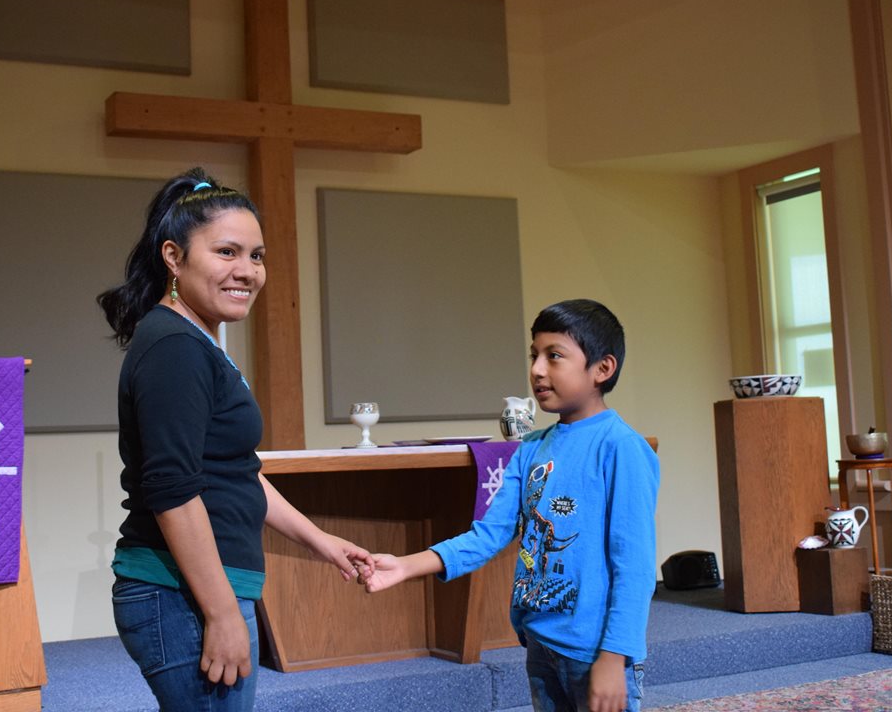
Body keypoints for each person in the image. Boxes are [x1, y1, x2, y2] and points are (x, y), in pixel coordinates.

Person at [97, 168, 374, 711]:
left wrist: (320, 540)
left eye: (257, 256)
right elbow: (173, 489)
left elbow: (233, 471)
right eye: (227, 252)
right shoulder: (174, 347)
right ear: (173, 258)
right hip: (182, 596)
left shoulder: (195, 339)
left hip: (205, 589)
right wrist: (222, 613)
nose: (246, 271)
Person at [365, 299, 660, 712]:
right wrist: (406, 565)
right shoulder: (531, 448)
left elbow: (636, 566)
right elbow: (489, 535)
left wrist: (615, 657)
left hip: (596, 650)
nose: (538, 369)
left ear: (602, 369)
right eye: (534, 355)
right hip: (542, 641)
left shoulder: (621, 449)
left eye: (554, 356)